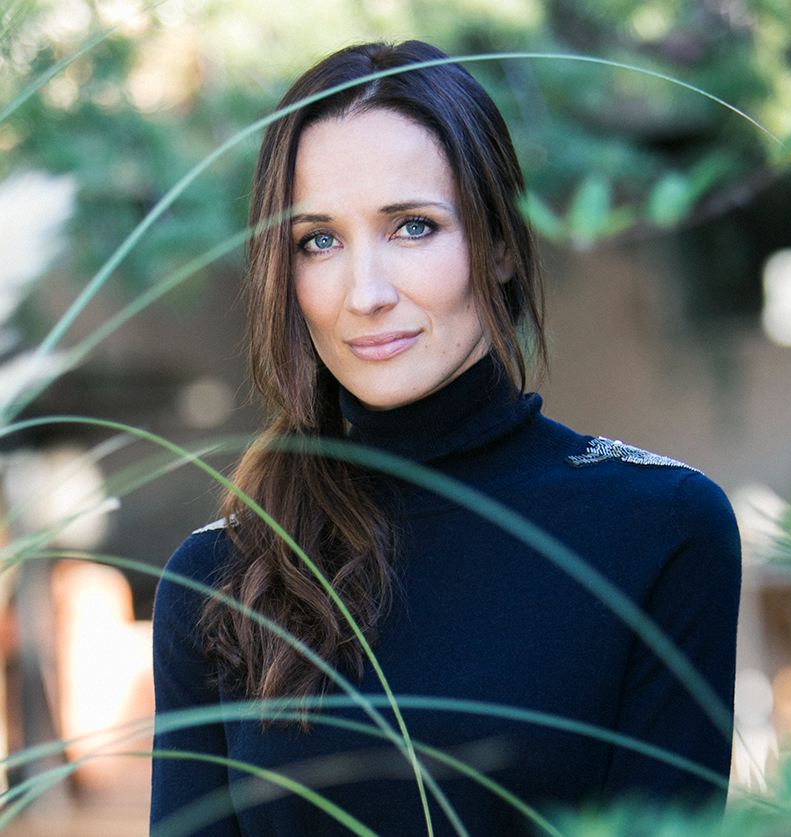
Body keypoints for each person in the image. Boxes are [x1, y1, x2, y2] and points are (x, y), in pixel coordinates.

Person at [151, 40, 741, 837]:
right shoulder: (221, 575)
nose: (365, 293)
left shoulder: (659, 525)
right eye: (318, 240)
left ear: (498, 246)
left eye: (412, 226)